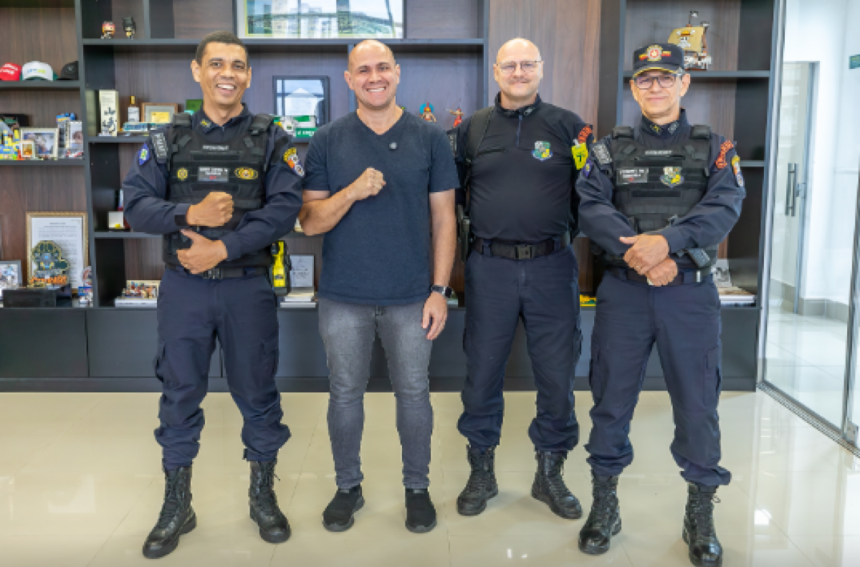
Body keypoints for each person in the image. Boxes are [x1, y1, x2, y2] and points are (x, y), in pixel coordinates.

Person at [122, 30, 303, 559]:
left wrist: (223, 250)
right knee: (179, 394)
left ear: (249, 75)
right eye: (218, 63)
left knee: (257, 394)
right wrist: (188, 215)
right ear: (197, 70)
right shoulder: (166, 139)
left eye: (240, 65)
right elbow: (134, 205)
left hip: (249, 289)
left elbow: (283, 211)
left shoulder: (275, 138)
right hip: (185, 292)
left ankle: (262, 496)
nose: (229, 73)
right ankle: (178, 504)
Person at [575, 43, 745, 566]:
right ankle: (605, 508)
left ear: (683, 84)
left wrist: (665, 245)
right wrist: (647, 256)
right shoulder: (607, 151)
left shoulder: (716, 148)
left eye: (665, 78)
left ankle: (700, 515)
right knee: (610, 404)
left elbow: (724, 208)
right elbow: (590, 207)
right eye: (645, 79)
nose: (655, 87)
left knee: (697, 407)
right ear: (633, 88)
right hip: (625, 295)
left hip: (688, 296)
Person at [299, 39, 458, 534]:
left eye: (382, 67)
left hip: (413, 296)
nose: (374, 76)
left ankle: (417, 488)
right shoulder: (327, 139)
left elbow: (445, 219)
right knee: (345, 395)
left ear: (397, 73)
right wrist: (353, 190)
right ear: (349, 79)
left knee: (414, 395)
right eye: (362, 69)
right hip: (343, 297)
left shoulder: (430, 138)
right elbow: (309, 222)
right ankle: (348, 487)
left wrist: (439, 289)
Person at [449, 38, 594, 519]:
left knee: (556, 377)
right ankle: (481, 471)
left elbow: (589, 196)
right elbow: (453, 199)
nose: (517, 72)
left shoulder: (569, 127)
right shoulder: (472, 129)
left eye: (526, 63)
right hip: (488, 267)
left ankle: (549, 474)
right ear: (496, 71)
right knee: (482, 374)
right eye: (509, 65)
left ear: (541, 68)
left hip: (552, 267)